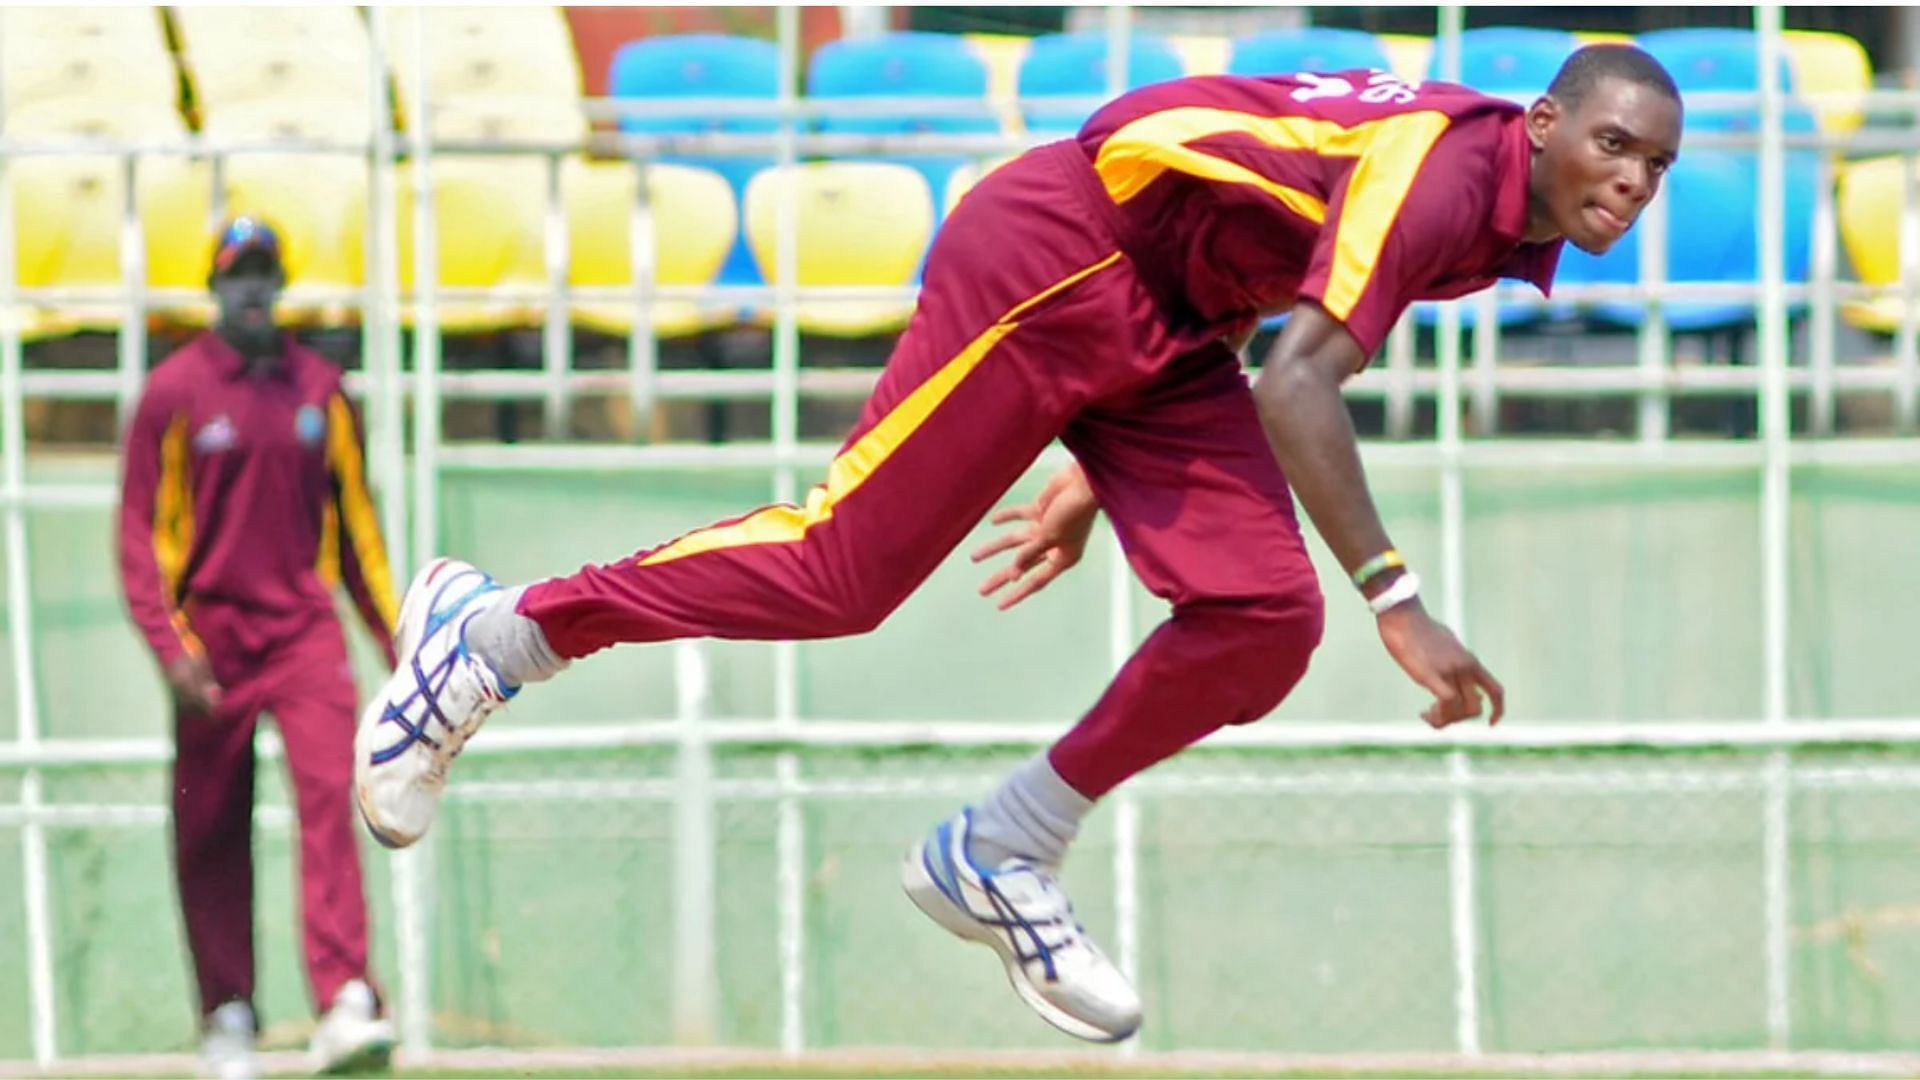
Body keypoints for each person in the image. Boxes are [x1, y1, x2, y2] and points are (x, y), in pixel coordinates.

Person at [353, 46, 1683, 1042]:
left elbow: (1246, 226)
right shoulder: (1448, 176)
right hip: (1061, 258)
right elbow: (1298, 387)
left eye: (1657, 165)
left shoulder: (1501, 207)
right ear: (1546, 120)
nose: (1631, 178)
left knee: (1266, 616)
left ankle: (1000, 848)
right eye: (1615, 142)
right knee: (841, 573)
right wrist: (1398, 598)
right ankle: (490, 639)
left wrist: (1108, 475)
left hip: (1165, 324)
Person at [117, 217, 400, 1078]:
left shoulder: (322, 390)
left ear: (281, 284)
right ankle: (227, 1014)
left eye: (265, 274)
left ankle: (345, 998)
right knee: (208, 822)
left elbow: (359, 535)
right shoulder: (174, 393)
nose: (252, 290)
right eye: (238, 275)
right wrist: (170, 648)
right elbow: (140, 536)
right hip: (212, 643)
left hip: (304, 634)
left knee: (332, 800)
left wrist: (400, 645)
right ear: (215, 286)